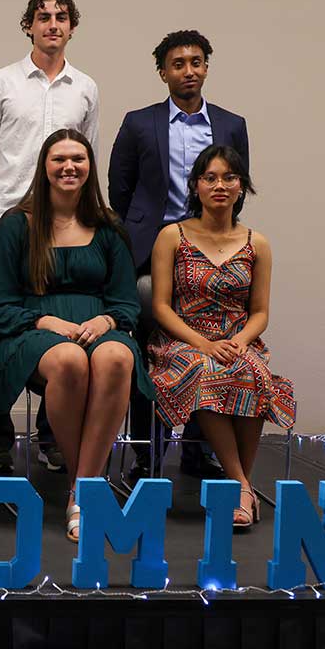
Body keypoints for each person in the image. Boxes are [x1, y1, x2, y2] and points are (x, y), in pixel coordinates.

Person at [0, 129, 152, 542]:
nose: (69, 167)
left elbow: (127, 302)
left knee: (116, 358)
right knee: (69, 360)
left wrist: (107, 322)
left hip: (98, 327)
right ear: (43, 167)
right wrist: (48, 322)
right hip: (32, 330)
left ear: (89, 167)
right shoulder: (15, 224)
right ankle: (89, 485)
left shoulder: (109, 226)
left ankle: (81, 490)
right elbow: (2, 305)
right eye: (59, 159)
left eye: (78, 158)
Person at [107, 30, 249, 483]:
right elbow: (120, 188)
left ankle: (200, 452)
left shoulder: (231, 124)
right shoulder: (138, 123)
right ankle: (148, 455)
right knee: (152, 353)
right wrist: (148, 233)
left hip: (211, 253)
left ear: (206, 67)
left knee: (213, 343)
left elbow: (235, 186)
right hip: (151, 255)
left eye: (196, 62)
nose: (188, 71)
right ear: (163, 72)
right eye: (178, 64)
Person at [0, 0, 99, 473]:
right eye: (42, 16)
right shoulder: (1, 82)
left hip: (67, 222)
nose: (52, 24)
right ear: (29, 25)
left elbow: (91, 156)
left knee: (62, 313)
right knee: (5, 320)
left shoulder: (86, 88)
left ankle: (50, 431)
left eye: (61, 16)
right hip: (11, 220)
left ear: (71, 26)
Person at [148, 145, 295, 529]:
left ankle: (239, 488)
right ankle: (241, 485)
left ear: (242, 186)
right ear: (195, 186)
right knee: (207, 371)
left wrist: (241, 341)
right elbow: (161, 307)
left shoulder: (256, 243)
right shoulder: (172, 236)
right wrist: (204, 343)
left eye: (229, 177)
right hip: (182, 341)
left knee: (254, 374)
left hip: (237, 338)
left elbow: (260, 312)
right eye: (210, 177)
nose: (220, 185)